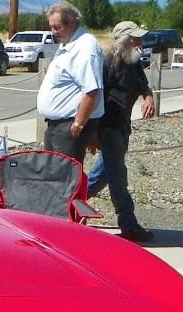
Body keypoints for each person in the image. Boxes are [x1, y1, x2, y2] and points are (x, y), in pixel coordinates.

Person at [86, 21, 155, 243]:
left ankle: (64, 206)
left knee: (102, 176)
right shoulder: (107, 62)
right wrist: (93, 133)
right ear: (124, 40)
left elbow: (144, 85)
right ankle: (129, 224)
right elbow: (95, 97)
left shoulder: (134, 61)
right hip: (108, 127)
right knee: (118, 177)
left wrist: (148, 97)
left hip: (123, 126)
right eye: (136, 38)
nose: (141, 42)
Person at [36, 2, 104, 165]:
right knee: (52, 176)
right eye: (51, 27)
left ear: (72, 23)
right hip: (57, 125)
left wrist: (79, 124)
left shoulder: (85, 48)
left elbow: (92, 90)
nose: (53, 32)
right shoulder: (68, 44)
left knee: (64, 179)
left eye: (57, 27)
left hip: (69, 125)